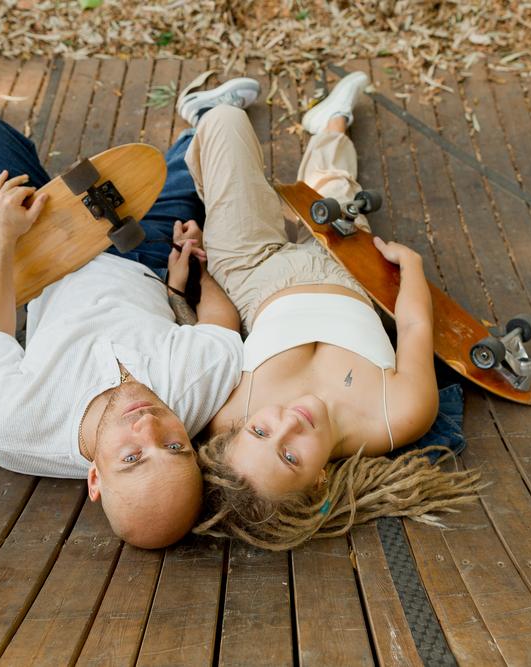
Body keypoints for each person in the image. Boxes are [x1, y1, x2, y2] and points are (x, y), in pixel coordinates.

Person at [0, 77, 259, 549]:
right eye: (175, 448)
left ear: (95, 480)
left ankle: (43, 191)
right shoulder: (196, 392)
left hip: (43, 260)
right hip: (146, 252)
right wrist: (196, 269)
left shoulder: (9, 426)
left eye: (132, 457)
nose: (149, 425)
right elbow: (221, 325)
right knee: (183, 165)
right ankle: (199, 116)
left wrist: (4, 235)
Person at [180, 72, 481, 550]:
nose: (286, 423)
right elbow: (414, 324)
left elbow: (218, 328)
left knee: (225, 122)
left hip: (253, 274)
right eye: (290, 457)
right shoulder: (397, 415)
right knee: (335, 188)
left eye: (260, 430)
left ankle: (200, 122)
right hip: (351, 276)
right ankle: (330, 122)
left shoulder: (225, 416)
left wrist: (200, 269)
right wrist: (413, 271)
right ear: (319, 482)